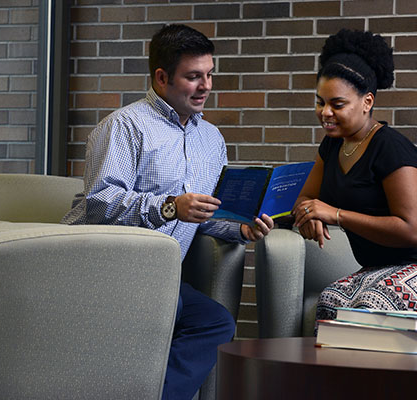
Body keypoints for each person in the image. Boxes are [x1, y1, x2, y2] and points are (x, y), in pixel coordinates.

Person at [62, 24, 273, 400]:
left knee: (215, 323)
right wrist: (169, 206)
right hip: (105, 269)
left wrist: (241, 229)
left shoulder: (211, 139)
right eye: (193, 77)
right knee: (167, 308)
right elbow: (98, 203)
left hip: (160, 279)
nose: (206, 86)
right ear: (162, 77)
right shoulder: (125, 126)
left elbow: (206, 214)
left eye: (209, 75)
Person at [291, 29, 417, 323]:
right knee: (330, 303)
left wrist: (336, 214)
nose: (325, 112)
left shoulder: (390, 147)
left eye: (337, 104)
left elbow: (414, 231)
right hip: (387, 267)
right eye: (319, 102)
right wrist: (309, 214)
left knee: (375, 304)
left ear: (367, 102)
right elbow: (306, 198)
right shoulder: (331, 145)